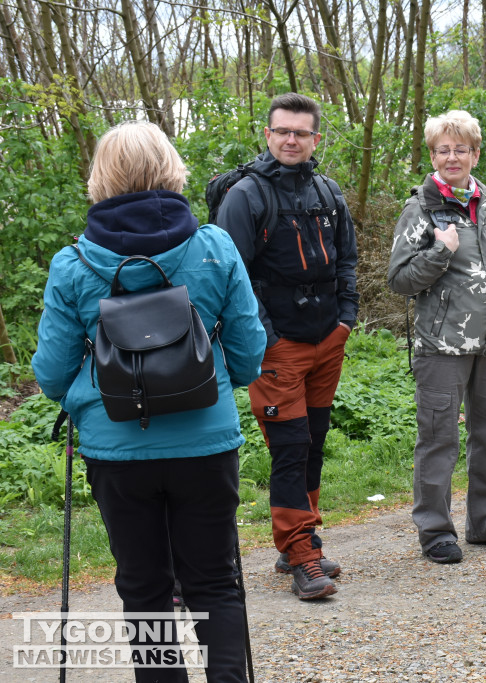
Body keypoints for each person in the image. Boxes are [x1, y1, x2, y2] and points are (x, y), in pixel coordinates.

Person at [32, 121, 266, 682]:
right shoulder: (213, 247)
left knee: (144, 589)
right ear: (171, 167)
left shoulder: (75, 264)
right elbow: (250, 352)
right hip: (205, 446)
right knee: (215, 581)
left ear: (101, 176)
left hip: (117, 452)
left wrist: (92, 401)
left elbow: (51, 372)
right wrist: (202, 387)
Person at [218, 93, 359, 599]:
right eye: (283, 131)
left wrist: (346, 318)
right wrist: (266, 339)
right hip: (277, 350)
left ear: (315, 139)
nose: (292, 139)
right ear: (269, 135)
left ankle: (301, 541)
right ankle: (302, 557)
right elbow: (231, 278)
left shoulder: (328, 191)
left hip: (328, 340)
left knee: (313, 444)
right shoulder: (246, 196)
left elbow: (347, 259)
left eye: (301, 132)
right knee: (290, 448)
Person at [387, 110, 486, 565]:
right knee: (439, 438)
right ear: (433, 155)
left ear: (474, 154)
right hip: (442, 347)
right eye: (443, 150)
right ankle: (434, 531)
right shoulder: (420, 208)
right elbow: (400, 280)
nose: (453, 157)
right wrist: (438, 251)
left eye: (461, 149)